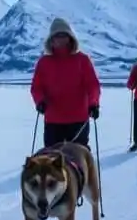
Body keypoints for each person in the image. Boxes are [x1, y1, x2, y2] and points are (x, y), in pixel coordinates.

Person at [30, 17, 101, 149]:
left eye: (64, 35)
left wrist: (93, 104)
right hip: (53, 121)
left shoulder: (82, 60)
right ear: (51, 39)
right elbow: (36, 87)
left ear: (70, 38)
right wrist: (40, 101)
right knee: (52, 157)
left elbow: (93, 85)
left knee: (77, 157)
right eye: (57, 36)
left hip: (78, 120)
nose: (61, 39)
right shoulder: (44, 63)